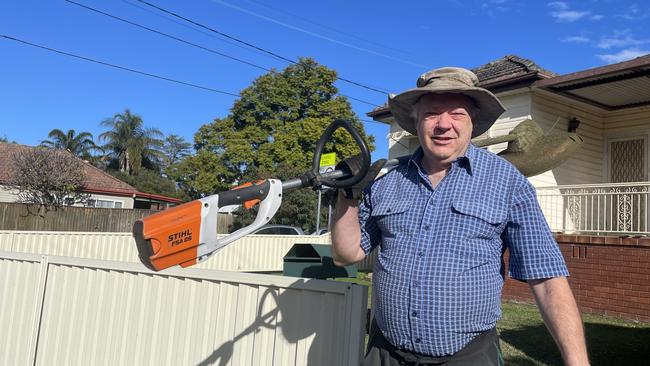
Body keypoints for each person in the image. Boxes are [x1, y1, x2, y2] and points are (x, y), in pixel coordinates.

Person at [331, 67, 589, 365]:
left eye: (456, 113)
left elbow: (546, 279)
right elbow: (346, 254)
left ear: (473, 121)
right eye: (431, 114)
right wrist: (347, 195)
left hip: (467, 356)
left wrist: (577, 362)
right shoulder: (388, 181)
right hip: (385, 352)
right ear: (416, 121)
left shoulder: (507, 181)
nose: (443, 125)